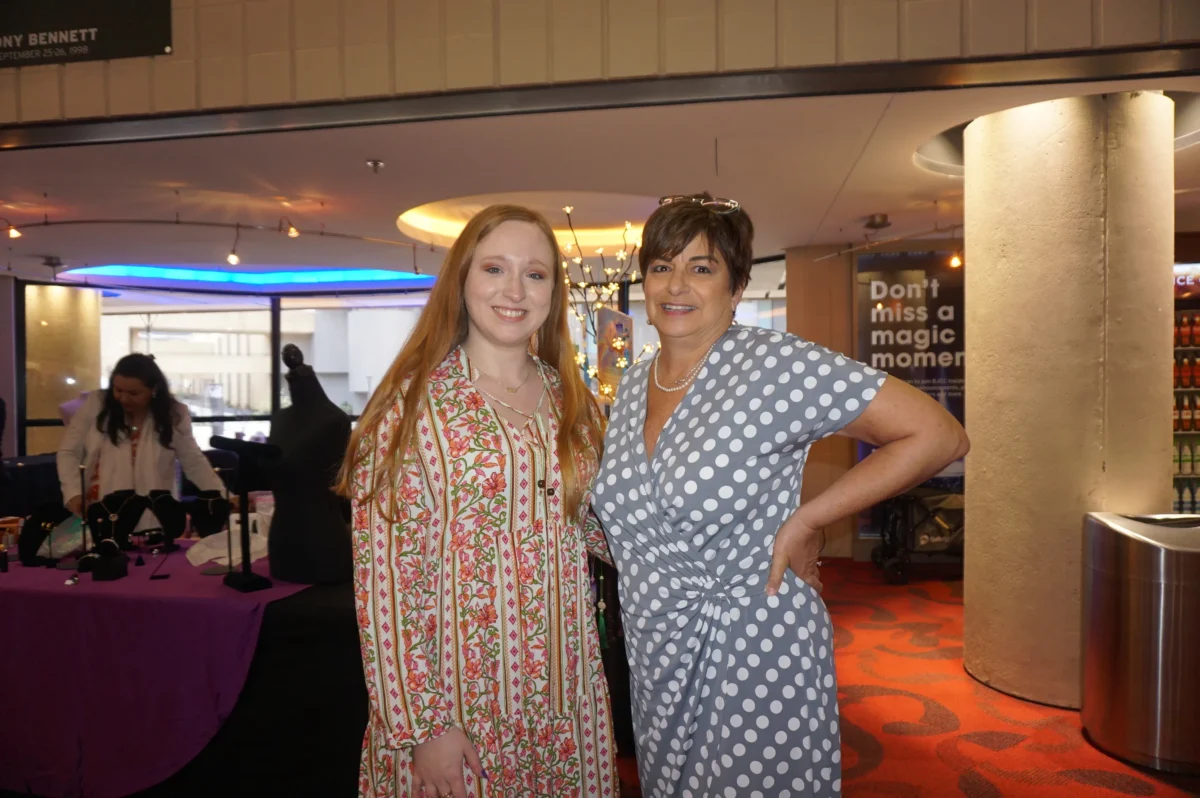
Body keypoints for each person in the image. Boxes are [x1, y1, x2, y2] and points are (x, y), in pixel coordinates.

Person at [593, 193, 970, 798]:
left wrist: (809, 519)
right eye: (662, 266)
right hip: (657, 648)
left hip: (754, 639)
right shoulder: (635, 382)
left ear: (737, 287)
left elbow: (939, 435)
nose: (676, 284)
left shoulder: (773, 364)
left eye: (701, 267)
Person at [337, 205, 617, 798]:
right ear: (462, 280)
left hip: (566, 696)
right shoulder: (409, 408)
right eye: (494, 268)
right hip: (458, 704)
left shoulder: (575, 403)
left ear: (553, 293)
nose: (514, 290)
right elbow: (385, 578)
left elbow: (602, 532)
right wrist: (424, 725)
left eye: (535, 274)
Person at [56, 354, 227, 528]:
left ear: (154, 390)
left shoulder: (173, 414)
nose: (123, 398)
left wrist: (222, 495)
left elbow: (193, 461)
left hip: (153, 510)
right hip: (102, 506)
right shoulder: (96, 404)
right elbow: (69, 452)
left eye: (133, 393)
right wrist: (73, 493)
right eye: (118, 390)